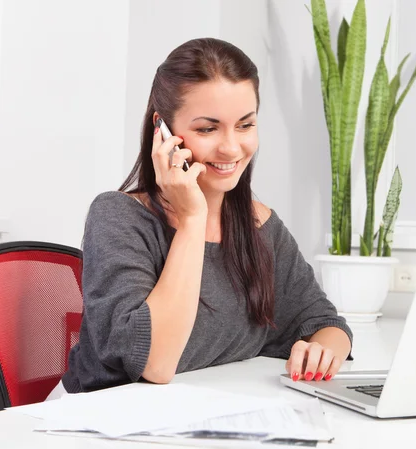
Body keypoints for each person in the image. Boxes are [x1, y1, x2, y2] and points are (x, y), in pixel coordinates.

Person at [50, 37, 352, 398]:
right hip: (103, 420)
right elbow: (155, 365)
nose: (231, 147)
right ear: (163, 130)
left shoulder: (260, 225)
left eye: (245, 125)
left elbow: (327, 324)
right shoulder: (118, 217)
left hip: (208, 410)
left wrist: (322, 352)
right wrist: (193, 219)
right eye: (208, 129)